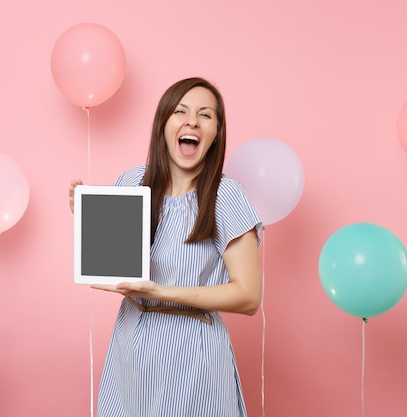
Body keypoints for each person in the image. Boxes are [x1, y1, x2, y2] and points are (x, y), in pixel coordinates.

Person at [69, 77, 263, 417]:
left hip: (194, 355)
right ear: (163, 124)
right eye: (180, 111)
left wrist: (162, 291)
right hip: (131, 346)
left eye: (205, 115)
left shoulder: (226, 195)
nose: (191, 121)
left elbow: (248, 297)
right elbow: (119, 267)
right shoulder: (132, 183)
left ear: (217, 132)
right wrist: (90, 217)